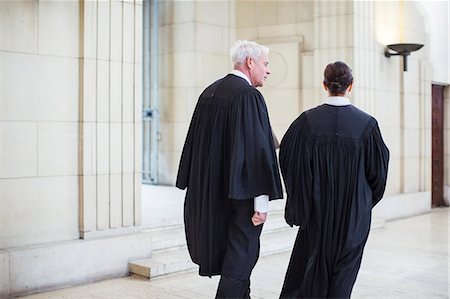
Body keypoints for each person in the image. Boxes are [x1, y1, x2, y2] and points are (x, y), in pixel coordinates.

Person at [176, 40, 283, 299]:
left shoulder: (209, 92)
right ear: (250, 62)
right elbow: (258, 152)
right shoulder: (249, 96)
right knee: (241, 257)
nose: (268, 71)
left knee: (233, 257)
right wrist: (262, 202)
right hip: (242, 196)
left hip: (210, 192)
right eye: (265, 64)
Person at [279, 61, 390, 298]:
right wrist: (361, 204)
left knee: (309, 276)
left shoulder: (305, 123)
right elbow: (378, 175)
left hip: (316, 215)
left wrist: (303, 197)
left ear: (324, 85)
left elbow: (288, 162)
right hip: (353, 219)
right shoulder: (367, 125)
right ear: (351, 86)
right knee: (342, 282)